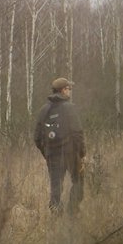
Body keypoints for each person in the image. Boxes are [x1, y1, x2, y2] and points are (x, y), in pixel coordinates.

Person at [34, 77, 86, 216]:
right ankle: (72, 212)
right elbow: (77, 133)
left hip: (52, 154)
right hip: (70, 153)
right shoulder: (70, 108)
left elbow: (37, 138)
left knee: (56, 186)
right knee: (79, 181)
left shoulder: (44, 110)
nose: (70, 91)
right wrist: (81, 154)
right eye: (69, 88)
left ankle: (56, 214)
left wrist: (47, 154)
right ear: (63, 90)